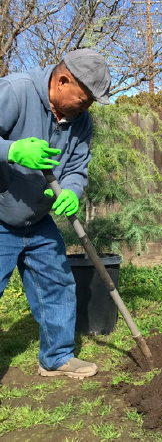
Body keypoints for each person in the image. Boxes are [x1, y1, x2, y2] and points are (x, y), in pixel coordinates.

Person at [0, 48, 111, 378]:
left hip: (37, 221)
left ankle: (56, 356)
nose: (87, 107)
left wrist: (73, 193)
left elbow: (77, 169)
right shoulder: (16, 90)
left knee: (58, 284)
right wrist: (12, 150)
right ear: (63, 80)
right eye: (85, 98)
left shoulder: (81, 122)